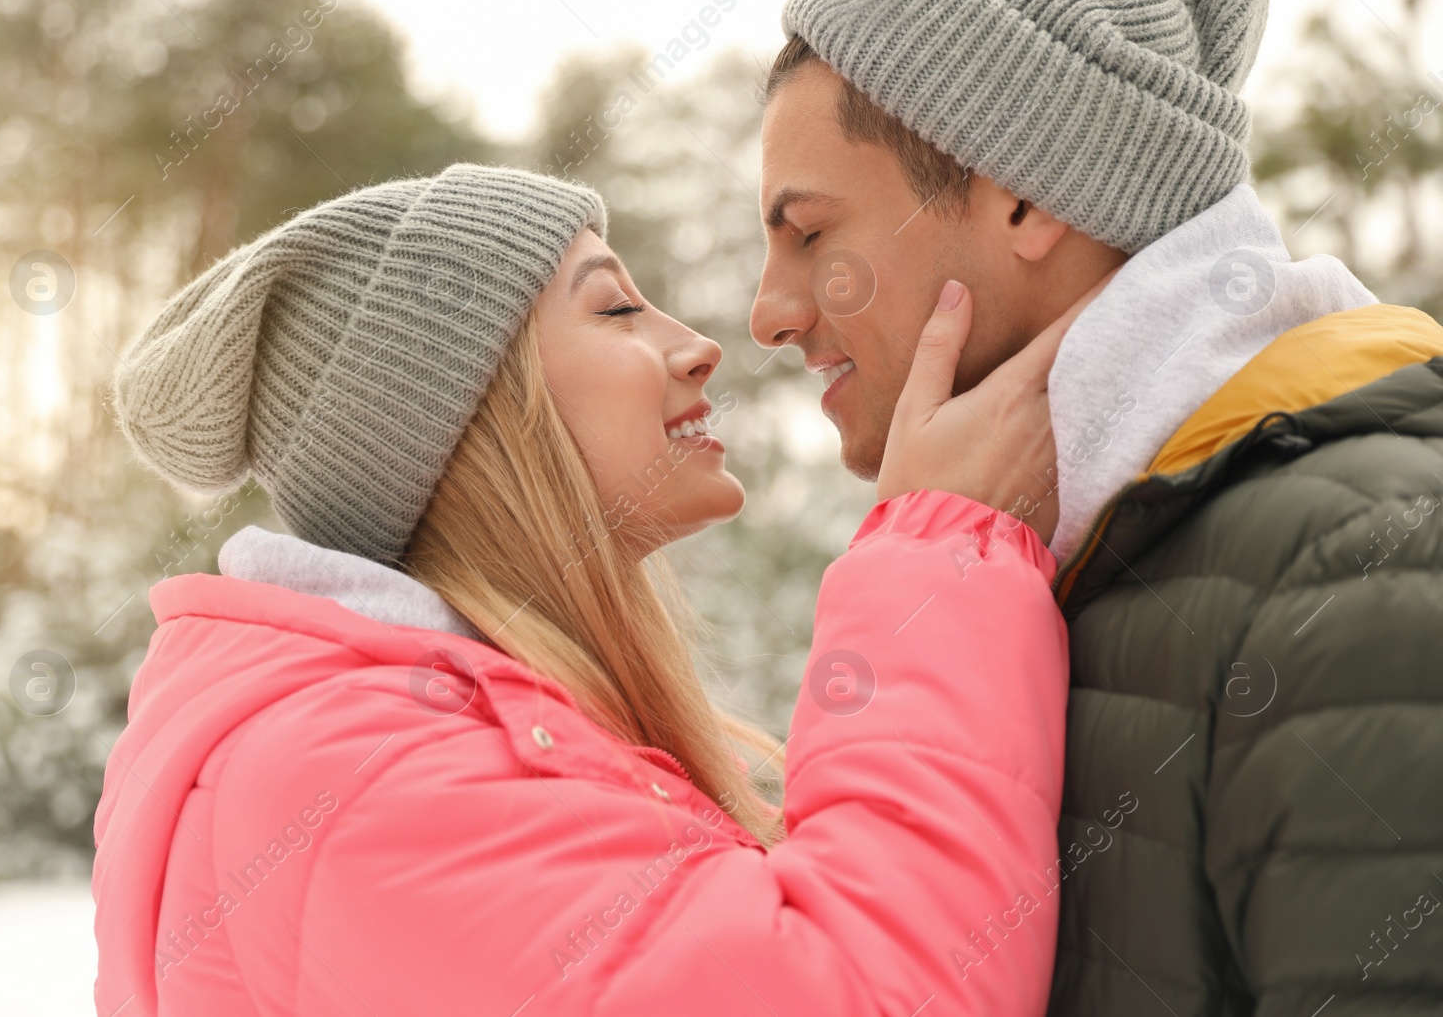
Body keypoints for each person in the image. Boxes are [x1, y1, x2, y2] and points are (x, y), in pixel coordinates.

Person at [93, 162, 1077, 1016]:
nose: (699, 344)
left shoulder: (410, 747)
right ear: (476, 414)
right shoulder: (355, 782)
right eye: (613, 307)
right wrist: (940, 549)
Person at [755, 0, 1443, 1013]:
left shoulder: (1358, 562)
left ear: (1025, 196)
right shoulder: (1046, 566)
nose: (770, 311)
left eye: (809, 235)